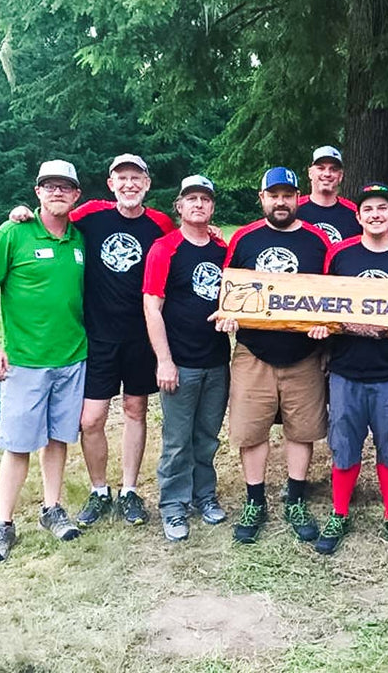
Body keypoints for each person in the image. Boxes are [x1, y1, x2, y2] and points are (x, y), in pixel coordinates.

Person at [9, 154, 176, 527]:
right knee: (91, 419)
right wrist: (22, 212)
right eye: (122, 178)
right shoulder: (91, 215)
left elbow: (181, 243)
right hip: (97, 335)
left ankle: (129, 490)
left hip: (141, 335)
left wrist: (212, 234)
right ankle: (99, 489)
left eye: (137, 178)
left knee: (136, 409)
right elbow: (52, 217)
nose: (130, 184)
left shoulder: (160, 223)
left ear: (147, 184)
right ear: (111, 183)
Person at [0, 160, 87, 562]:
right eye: (49, 186)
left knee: (57, 438)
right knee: (19, 444)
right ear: (37, 192)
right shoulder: (13, 232)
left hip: (73, 358)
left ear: (76, 195)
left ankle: (52, 508)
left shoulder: (79, 238)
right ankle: (2, 524)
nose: (57, 192)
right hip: (24, 361)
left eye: (65, 187)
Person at [307, 183, 388, 556]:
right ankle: (340, 512)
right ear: (358, 216)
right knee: (343, 443)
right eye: (368, 209)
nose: (376, 214)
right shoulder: (339, 256)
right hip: (347, 369)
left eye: (382, 208)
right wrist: (320, 331)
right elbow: (321, 302)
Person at [216, 167, 332, 544]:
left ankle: (296, 499)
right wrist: (230, 313)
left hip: (304, 353)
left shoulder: (317, 242)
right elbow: (229, 289)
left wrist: (325, 329)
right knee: (252, 430)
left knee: (303, 430)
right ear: (262, 198)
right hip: (254, 351)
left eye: (288, 195)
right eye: (274, 195)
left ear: (298, 197)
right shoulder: (246, 239)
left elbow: (331, 294)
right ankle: (255, 500)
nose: (281, 202)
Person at [143, 175, 230, 541]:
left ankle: (203, 495)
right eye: (191, 199)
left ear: (212, 207)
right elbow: (152, 306)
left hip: (217, 360)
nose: (198, 205)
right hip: (180, 362)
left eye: (205, 200)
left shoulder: (221, 249)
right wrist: (164, 360)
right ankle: (173, 505)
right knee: (178, 439)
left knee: (207, 435)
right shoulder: (165, 249)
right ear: (179, 206)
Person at [296, 145, 361, 244]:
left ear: (340, 176)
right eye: (321, 168)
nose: (327, 174)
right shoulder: (294, 209)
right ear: (310, 173)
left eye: (333, 169)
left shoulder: (355, 214)